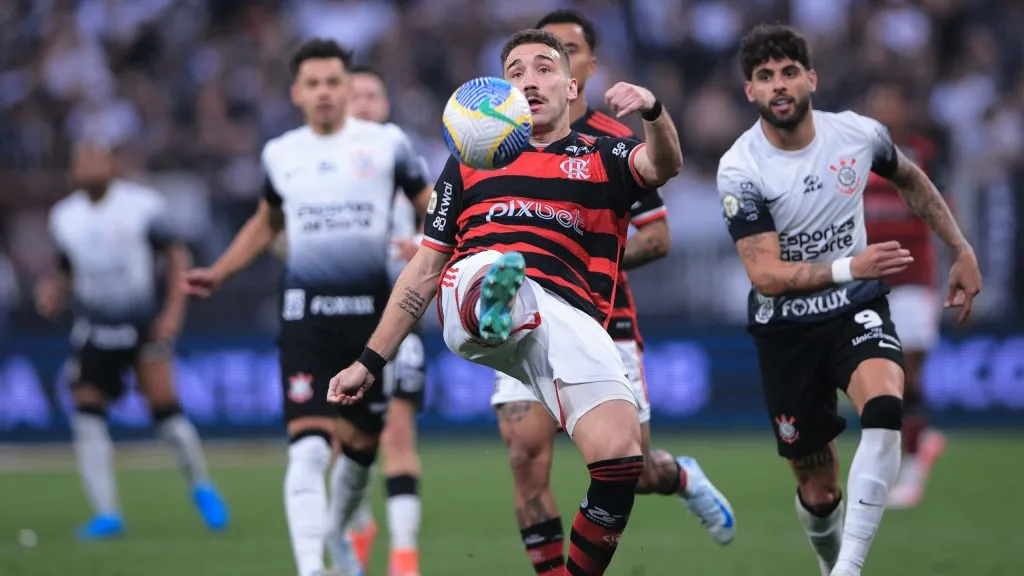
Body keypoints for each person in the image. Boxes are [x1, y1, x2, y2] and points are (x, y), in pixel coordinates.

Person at [329, 28, 682, 576]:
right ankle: (496, 300)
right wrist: (368, 360)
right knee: (492, 268)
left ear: (571, 86)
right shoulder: (468, 162)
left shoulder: (604, 154)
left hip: (572, 320)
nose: (529, 81)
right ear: (504, 92)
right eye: (515, 73)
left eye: (543, 68)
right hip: (473, 293)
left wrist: (654, 113)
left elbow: (663, 167)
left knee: (619, 461)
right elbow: (424, 269)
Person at [718, 24, 981, 576]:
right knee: (818, 489)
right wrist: (848, 265)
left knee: (886, 404)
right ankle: (830, 559)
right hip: (784, 327)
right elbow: (764, 274)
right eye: (765, 77)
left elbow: (912, 179)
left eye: (789, 72)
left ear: (811, 78)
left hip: (853, 307)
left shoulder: (858, 135)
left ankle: (849, 570)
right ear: (751, 92)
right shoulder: (741, 168)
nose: (779, 85)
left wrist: (960, 247)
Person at [486, 10, 735, 575]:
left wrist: (576, 261)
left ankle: (680, 476)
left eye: (559, 56)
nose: (537, 75)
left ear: (584, 69)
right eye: (525, 65)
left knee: (633, 468)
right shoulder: (497, 145)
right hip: (522, 323)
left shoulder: (616, 142)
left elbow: (659, 236)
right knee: (525, 458)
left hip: (602, 322)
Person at [183, 39, 431, 576]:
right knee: (310, 448)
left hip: (374, 322)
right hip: (305, 317)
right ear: (297, 92)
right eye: (313, 83)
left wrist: (440, 239)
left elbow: (430, 203)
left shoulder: (387, 144)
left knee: (361, 452)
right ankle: (310, 567)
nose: (323, 92)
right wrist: (221, 271)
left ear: (346, 87)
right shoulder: (281, 153)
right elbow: (266, 222)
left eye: (333, 82)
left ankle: (340, 533)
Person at [37, 142, 228, 540]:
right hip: (93, 325)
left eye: (95, 158)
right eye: (81, 160)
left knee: (166, 414)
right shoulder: (64, 217)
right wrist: (55, 291)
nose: (88, 166)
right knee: (87, 414)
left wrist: (173, 312)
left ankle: (201, 487)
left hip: (141, 323)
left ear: (112, 165)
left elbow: (178, 256)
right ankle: (107, 513)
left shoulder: (143, 206)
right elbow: (67, 269)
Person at [343, 64, 428, 576]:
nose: (364, 103)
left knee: (396, 434)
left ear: (386, 105)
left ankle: (403, 555)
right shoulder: (319, 159)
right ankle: (358, 530)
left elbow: (438, 213)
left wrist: (422, 245)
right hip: (338, 313)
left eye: (373, 94)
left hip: (397, 314)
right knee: (345, 441)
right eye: (356, 95)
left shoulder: (397, 149)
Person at [862, 83, 947, 509]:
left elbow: (942, 207)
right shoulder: (854, 159)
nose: (884, 111)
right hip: (871, 286)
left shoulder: (921, 155)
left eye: (891, 103)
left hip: (914, 282)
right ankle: (915, 446)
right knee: (880, 382)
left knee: (906, 378)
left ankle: (912, 467)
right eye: (878, 105)